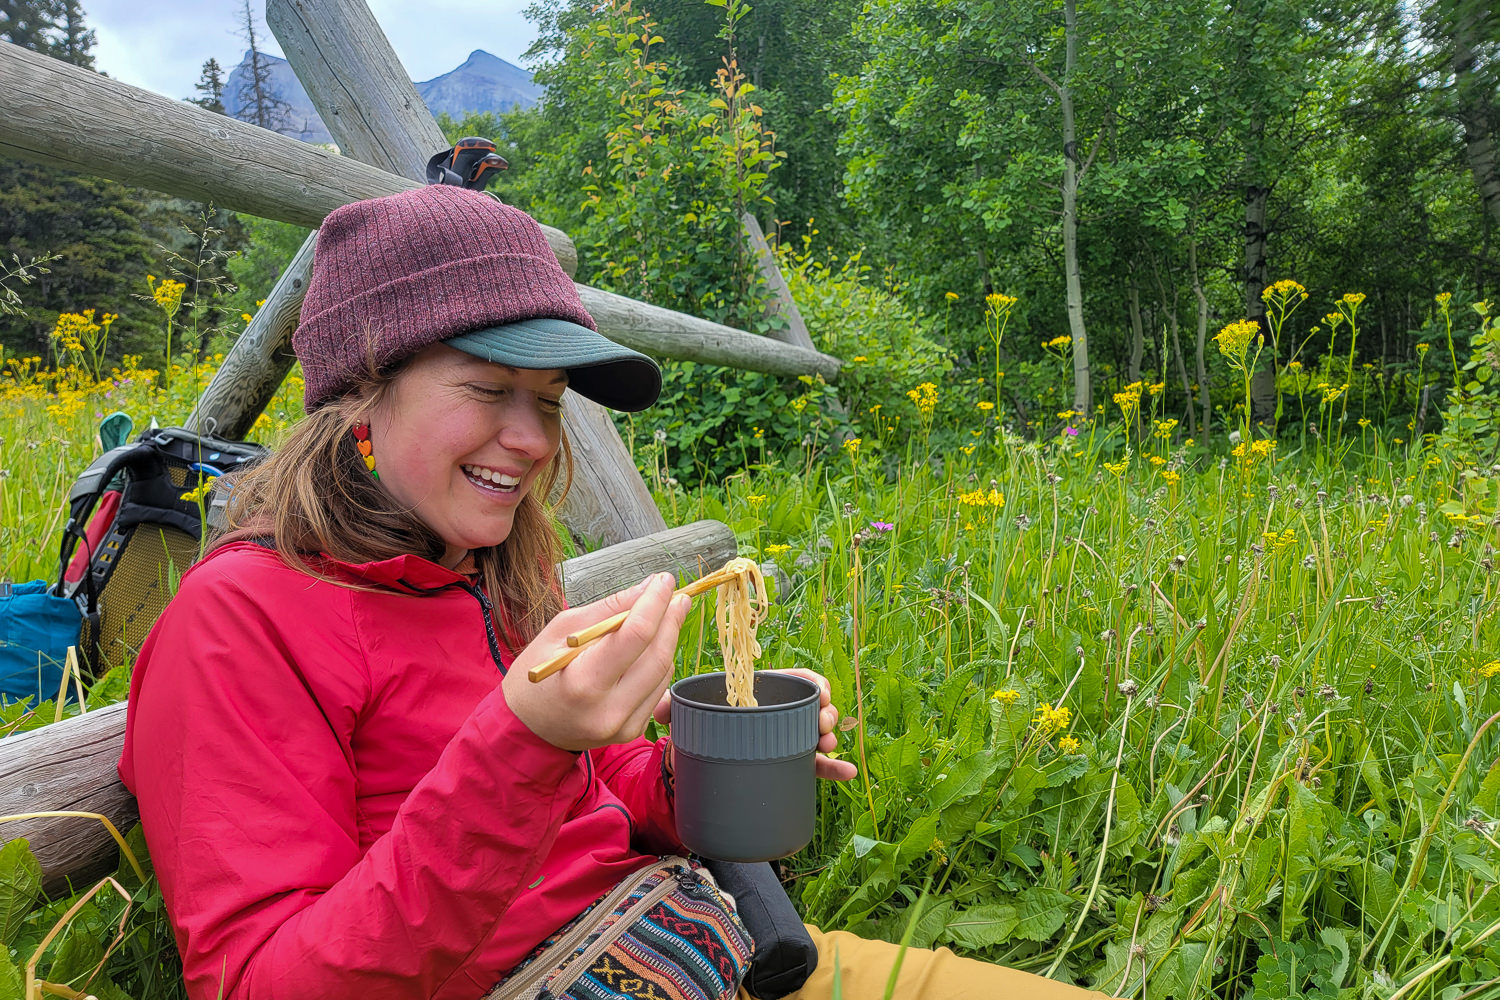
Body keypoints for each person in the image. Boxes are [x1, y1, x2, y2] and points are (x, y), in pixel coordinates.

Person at [119, 185, 1108, 1000]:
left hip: (696, 942)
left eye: (548, 405)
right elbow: (263, 983)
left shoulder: (490, 568)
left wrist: (698, 772)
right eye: (486, 389)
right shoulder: (238, 622)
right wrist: (526, 742)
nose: (534, 441)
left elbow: (591, 801)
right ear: (359, 397)